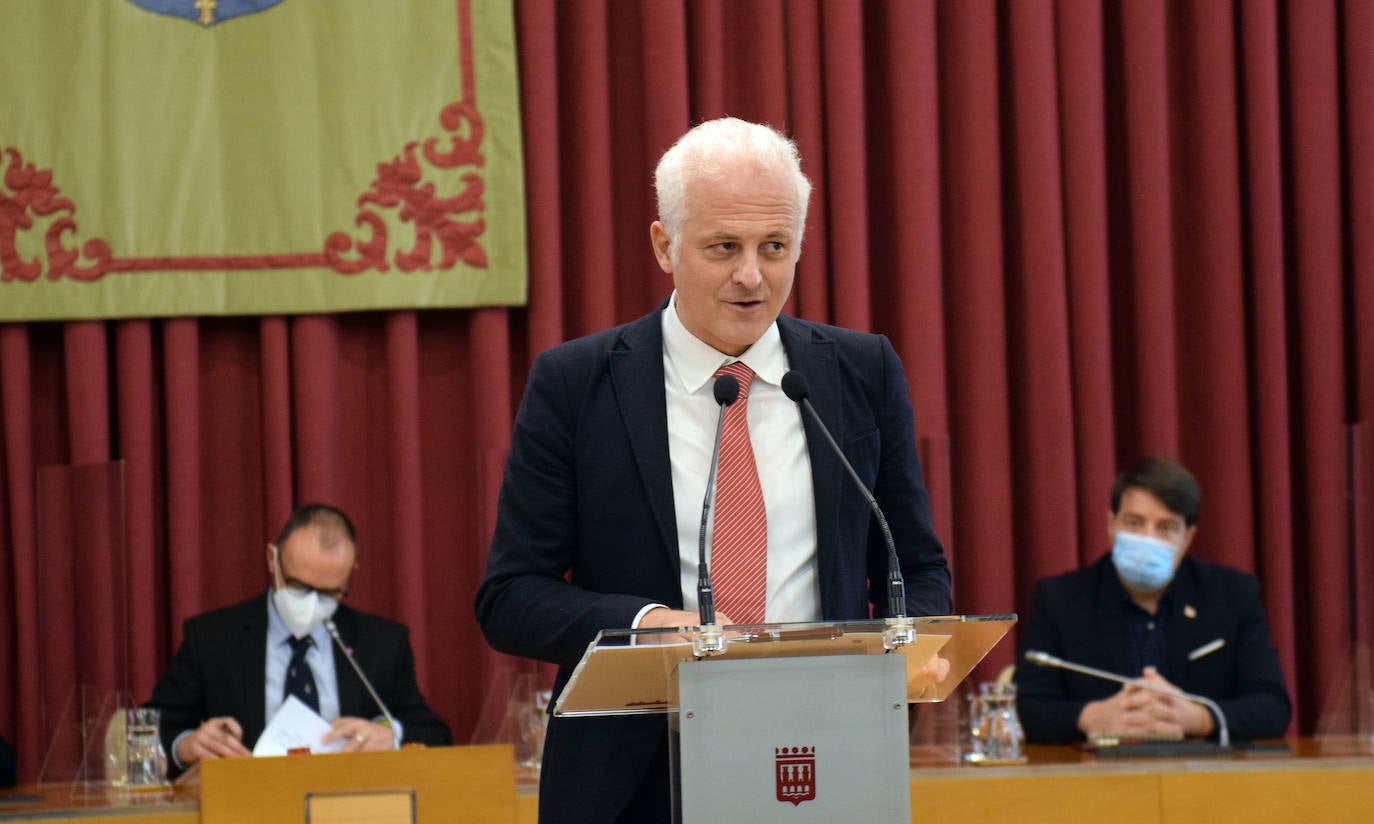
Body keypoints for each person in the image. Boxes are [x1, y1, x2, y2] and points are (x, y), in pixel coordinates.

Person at [475, 117, 953, 824]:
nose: (752, 276)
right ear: (665, 245)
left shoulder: (858, 372)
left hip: (827, 758)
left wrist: (915, 641)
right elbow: (511, 597)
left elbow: (914, 563)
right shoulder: (577, 384)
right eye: (724, 247)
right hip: (636, 780)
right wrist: (645, 624)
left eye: (775, 247)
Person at [145, 504, 451, 776]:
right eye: (299, 586)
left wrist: (391, 735)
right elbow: (152, 729)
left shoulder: (382, 642)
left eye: (330, 593)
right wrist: (185, 746)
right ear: (272, 559)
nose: (311, 604)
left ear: (349, 576)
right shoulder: (212, 639)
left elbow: (434, 734)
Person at [1015, 457, 1291, 744]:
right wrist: (1092, 717)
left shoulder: (1232, 596)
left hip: (1203, 778)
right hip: (1095, 778)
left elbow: (1273, 707)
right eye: (1134, 524)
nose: (1148, 539)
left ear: (1187, 538)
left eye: (1166, 528)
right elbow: (1028, 708)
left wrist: (1198, 718)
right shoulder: (1060, 599)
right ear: (1111, 525)